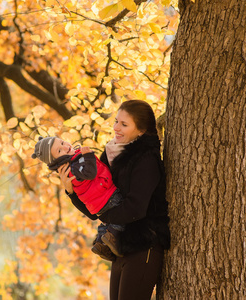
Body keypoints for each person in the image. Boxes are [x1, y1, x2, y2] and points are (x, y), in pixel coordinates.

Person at [58, 100, 170, 300]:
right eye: (117, 121)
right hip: (120, 247)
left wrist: (105, 216)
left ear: (142, 131)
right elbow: (96, 208)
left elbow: (135, 208)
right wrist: (72, 192)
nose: (116, 128)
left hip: (144, 246)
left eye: (124, 125)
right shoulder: (111, 154)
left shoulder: (147, 161)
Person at [31, 136, 125, 260]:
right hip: (107, 197)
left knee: (108, 222)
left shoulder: (74, 162)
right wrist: (89, 155)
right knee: (122, 217)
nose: (65, 146)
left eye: (63, 142)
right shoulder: (75, 165)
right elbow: (90, 173)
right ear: (55, 161)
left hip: (100, 202)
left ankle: (102, 243)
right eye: (59, 151)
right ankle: (112, 235)